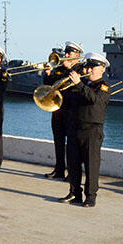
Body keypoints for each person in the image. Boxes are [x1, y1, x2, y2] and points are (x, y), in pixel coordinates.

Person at [59, 52, 111, 207]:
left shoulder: (104, 87)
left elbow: (94, 100)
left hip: (92, 131)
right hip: (76, 128)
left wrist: (79, 85)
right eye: (87, 67)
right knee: (73, 164)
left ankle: (90, 196)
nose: (88, 71)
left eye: (92, 68)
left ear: (102, 69)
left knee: (91, 165)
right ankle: (74, 193)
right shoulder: (82, 85)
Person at [42, 41, 83, 180]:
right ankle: (59, 169)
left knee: (72, 146)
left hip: (72, 112)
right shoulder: (60, 69)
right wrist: (47, 74)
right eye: (65, 53)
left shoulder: (80, 70)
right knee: (58, 142)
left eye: (69, 54)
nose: (65, 56)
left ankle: (72, 172)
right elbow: (48, 87)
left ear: (76, 56)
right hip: (58, 112)